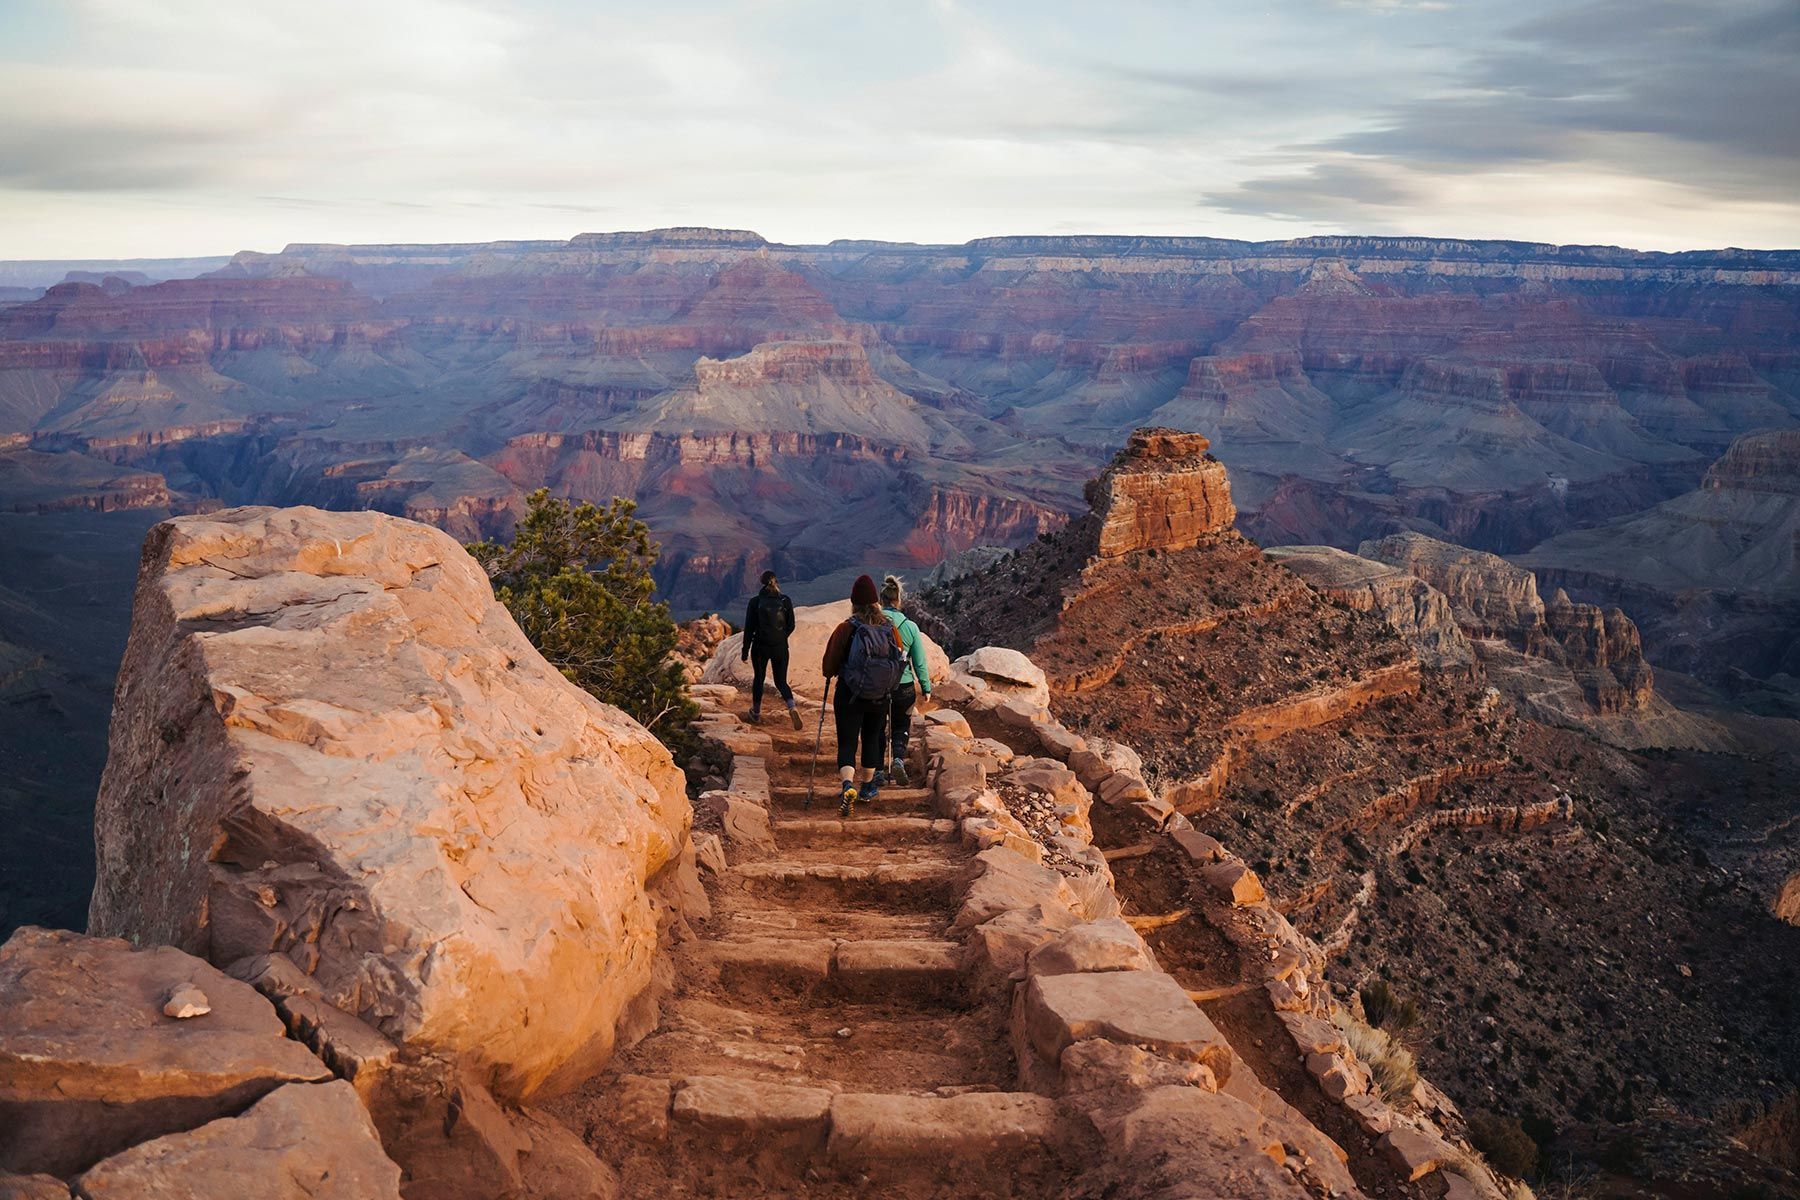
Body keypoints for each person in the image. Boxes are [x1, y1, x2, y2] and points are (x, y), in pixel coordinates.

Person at [820, 574, 906, 817]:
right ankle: (867, 787)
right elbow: (899, 659)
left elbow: (828, 666)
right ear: (875, 601)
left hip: (850, 695)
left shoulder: (846, 628)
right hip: (880, 696)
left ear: (854, 602)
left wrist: (841, 670)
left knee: (847, 741)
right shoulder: (890, 627)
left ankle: (848, 785)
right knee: (871, 737)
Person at [876, 575, 931, 787]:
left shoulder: (872, 622)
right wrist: (926, 687)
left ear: (881, 600)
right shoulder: (910, 627)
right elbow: (919, 662)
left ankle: (878, 770)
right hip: (904, 685)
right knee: (901, 725)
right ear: (898, 600)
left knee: (877, 726)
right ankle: (898, 758)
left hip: (877, 684)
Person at [740, 570, 800, 729]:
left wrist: (745, 651)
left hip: (760, 646)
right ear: (776, 582)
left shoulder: (755, 602)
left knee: (759, 678)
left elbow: (749, 629)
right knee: (781, 681)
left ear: (762, 583)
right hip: (780, 647)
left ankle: (756, 713)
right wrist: (781, 637)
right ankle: (792, 706)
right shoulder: (786, 601)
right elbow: (791, 625)